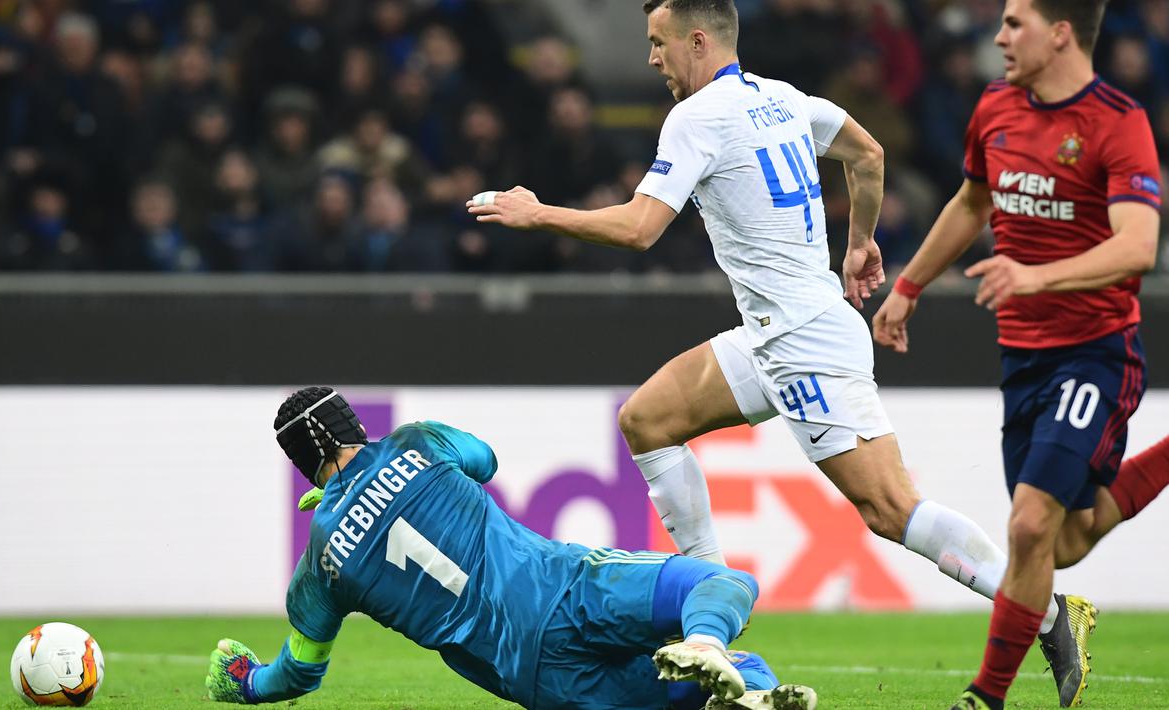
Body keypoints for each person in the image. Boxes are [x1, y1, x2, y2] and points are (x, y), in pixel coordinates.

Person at [465, 2, 1088, 706]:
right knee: (648, 420)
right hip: (774, 331)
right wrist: (858, 242)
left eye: (657, 43)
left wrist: (536, 211)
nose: (650, 59)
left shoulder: (696, 117)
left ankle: (1042, 608)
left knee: (889, 508)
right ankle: (712, 613)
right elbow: (867, 153)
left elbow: (640, 229)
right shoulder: (781, 99)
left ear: (696, 41)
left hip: (802, 342)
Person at [870, 1, 1166, 709]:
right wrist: (909, 285)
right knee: (1060, 540)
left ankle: (985, 697)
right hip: (1021, 356)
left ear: (1059, 32)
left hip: (1095, 352)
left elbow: (1136, 246)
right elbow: (973, 203)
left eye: (1013, 23)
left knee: (1029, 524)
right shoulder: (996, 106)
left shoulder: (1116, 121)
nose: (997, 38)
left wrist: (1033, 275)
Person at [202, 387, 818, 710]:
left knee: (696, 693)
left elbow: (299, 674)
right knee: (722, 587)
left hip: (536, 675)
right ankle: (708, 643)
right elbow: (485, 460)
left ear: (303, 466)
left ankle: (732, 690)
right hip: (564, 587)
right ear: (352, 424)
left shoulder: (321, 565)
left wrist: (245, 681)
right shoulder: (416, 442)